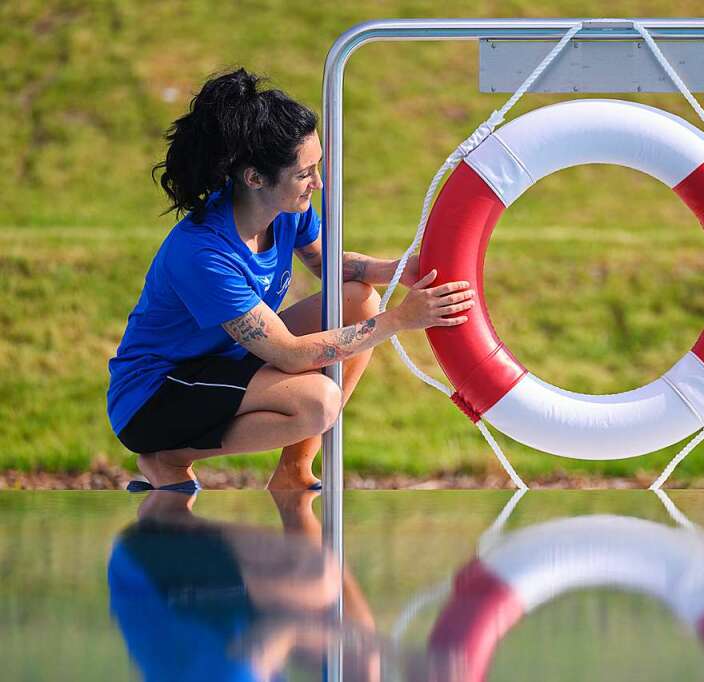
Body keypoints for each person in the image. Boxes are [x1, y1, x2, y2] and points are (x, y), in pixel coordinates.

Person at [107, 68, 474, 491]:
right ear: (254, 178)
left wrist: (390, 270)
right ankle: (169, 458)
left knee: (358, 298)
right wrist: (399, 320)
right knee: (317, 402)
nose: (317, 183)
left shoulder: (282, 211)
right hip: (157, 397)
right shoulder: (202, 254)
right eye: (305, 173)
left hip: (221, 364)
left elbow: (327, 266)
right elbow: (291, 357)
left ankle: (292, 471)